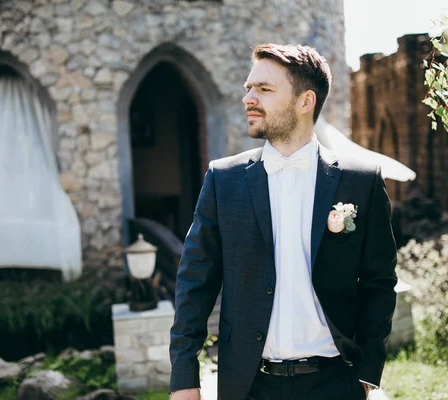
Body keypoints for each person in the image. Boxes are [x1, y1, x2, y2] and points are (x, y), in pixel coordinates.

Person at [169, 43, 397, 400]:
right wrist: (184, 378)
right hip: (247, 385)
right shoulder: (223, 180)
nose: (248, 98)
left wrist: (369, 374)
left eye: (264, 89)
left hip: (336, 384)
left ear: (305, 102)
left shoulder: (361, 181)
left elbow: (379, 282)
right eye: (248, 87)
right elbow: (194, 282)